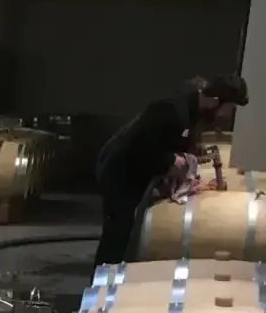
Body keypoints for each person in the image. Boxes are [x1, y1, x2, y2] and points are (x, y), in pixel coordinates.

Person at [94, 74, 249, 266]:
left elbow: (174, 138)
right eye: (229, 109)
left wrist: (190, 148)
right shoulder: (170, 111)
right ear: (215, 101)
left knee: (126, 230)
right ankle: (102, 283)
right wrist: (170, 160)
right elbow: (135, 145)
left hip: (136, 173)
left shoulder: (192, 113)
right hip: (118, 172)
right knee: (117, 231)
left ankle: (112, 274)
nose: (226, 115)